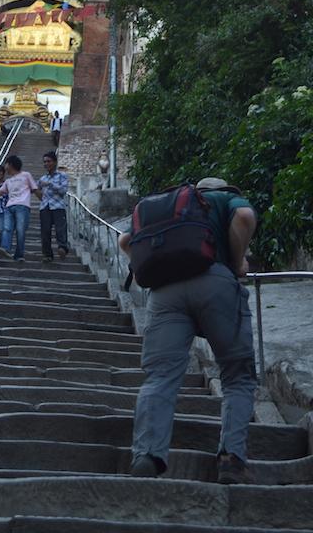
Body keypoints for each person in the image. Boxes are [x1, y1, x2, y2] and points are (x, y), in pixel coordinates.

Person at [118, 176, 258, 484]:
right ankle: (231, 459)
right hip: (215, 282)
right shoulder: (223, 198)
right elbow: (245, 217)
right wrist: (235, 263)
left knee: (160, 376)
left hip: (164, 294)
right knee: (236, 374)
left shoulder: (168, 208)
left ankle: (147, 455)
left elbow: (125, 242)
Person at [0, 155, 39, 262]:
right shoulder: (8, 181)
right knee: (7, 228)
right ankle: (4, 248)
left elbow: (35, 189)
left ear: (10, 164)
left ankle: (19, 255)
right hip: (9, 207)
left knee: (20, 231)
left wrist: (45, 202)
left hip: (22, 207)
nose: (5, 167)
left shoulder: (26, 175)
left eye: (6, 164)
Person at [37, 151, 69, 262]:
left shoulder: (62, 176)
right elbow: (36, 189)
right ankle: (47, 254)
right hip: (45, 207)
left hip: (58, 206)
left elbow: (63, 191)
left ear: (55, 162)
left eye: (49, 161)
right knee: (45, 231)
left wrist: (50, 184)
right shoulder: (42, 178)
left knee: (61, 229)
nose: (46, 164)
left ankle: (62, 248)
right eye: (45, 162)